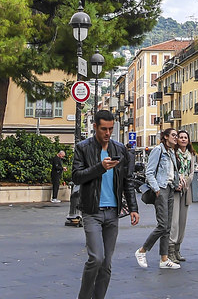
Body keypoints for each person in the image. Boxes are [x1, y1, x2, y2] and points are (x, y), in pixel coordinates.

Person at [73, 110, 140, 299]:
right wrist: (100, 168)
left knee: (106, 264)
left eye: (110, 129)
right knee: (96, 258)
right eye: (104, 129)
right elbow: (76, 177)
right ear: (95, 127)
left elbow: (127, 180)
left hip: (113, 213)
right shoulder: (83, 148)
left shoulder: (120, 149)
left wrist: (133, 208)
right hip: (91, 211)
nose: (108, 133)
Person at [135, 128, 180, 270]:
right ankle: (142, 250)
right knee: (162, 225)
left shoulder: (171, 152)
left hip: (170, 188)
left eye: (177, 135)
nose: (176, 137)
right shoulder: (158, 150)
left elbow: (172, 172)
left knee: (167, 227)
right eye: (173, 135)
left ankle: (164, 259)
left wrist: (176, 183)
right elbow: (149, 172)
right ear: (166, 137)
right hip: (161, 189)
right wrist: (156, 189)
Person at [168, 129, 194, 262]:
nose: (183, 139)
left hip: (186, 190)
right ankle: (170, 250)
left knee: (183, 222)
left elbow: (192, 172)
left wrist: (186, 182)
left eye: (185, 137)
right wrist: (178, 181)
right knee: (174, 222)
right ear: (177, 140)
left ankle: (178, 249)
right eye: (181, 137)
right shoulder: (173, 153)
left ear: (188, 140)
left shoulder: (191, 155)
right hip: (175, 189)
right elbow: (171, 171)